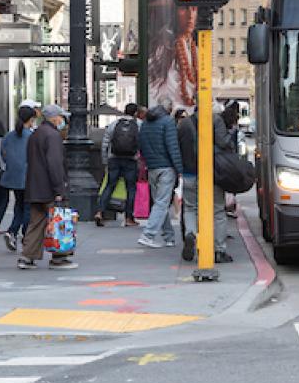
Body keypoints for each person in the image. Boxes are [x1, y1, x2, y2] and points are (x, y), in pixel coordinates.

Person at [18, 104, 77, 270]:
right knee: (59, 221)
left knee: (36, 223)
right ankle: (59, 256)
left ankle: (27, 256)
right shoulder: (53, 136)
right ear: (55, 118)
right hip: (49, 188)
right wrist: (60, 189)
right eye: (61, 117)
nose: (62, 120)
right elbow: (55, 164)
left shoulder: (35, 134)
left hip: (34, 186)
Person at [177, 102, 235, 263]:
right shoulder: (215, 120)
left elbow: (178, 147)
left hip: (189, 173)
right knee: (217, 211)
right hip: (212, 173)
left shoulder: (184, 124)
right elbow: (224, 143)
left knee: (190, 208)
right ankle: (219, 249)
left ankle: (190, 233)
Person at [137, 97, 183, 249]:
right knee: (162, 203)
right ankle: (148, 234)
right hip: (166, 167)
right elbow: (172, 147)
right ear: (169, 108)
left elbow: (141, 144)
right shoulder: (168, 122)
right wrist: (179, 169)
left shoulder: (145, 122)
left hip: (152, 167)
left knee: (159, 203)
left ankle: (169, 236)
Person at [95, 103, 140, 227]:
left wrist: (105, 161)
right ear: (135, 113)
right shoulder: (138, 125)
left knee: (109, 185)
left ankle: (100, 212)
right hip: (131, 160)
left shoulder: (114, 124)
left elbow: (105, 143)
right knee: (130, 188)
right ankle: (129, 218)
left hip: (114, 159)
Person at [0, 106, 36, 252]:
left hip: (13, 176)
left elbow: (4, 155)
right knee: (28, 208)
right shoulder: (31, 136)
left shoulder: (9, 136)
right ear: (31, 119)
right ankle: (24, 235)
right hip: (28, 176)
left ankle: (12, 232)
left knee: (19, 205)